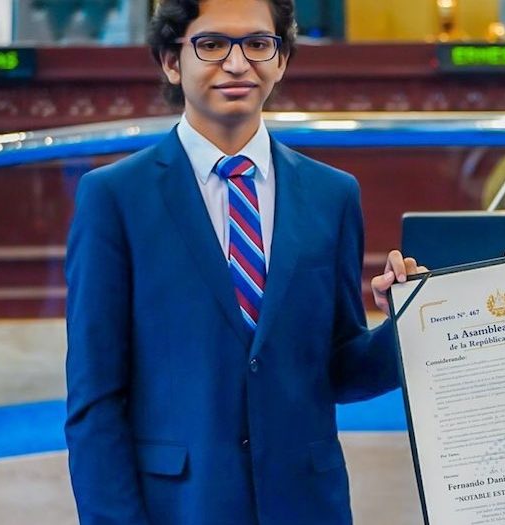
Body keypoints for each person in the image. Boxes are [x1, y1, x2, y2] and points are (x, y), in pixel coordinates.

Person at [64, 0, 421, 523]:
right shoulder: (115, 198)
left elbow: (339, 370)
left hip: (305, 507)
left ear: (282, 60)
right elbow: (95, 400)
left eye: (258, 44)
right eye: (211, 45)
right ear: (171, 61)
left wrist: (408, 321)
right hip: (181, 507)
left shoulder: (332, 195)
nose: (237, 64)